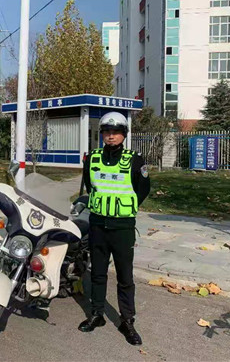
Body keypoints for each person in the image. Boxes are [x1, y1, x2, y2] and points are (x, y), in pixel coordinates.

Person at [78, 111, 150, 346]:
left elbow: (142, 189)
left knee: (125, 276)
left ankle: (127, 320)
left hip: (122, 228)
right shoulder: (92, 159)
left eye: (116, 132)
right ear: (102, 134)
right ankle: (97, 314)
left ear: (124, 135)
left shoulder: (135, 160)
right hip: (98, 225)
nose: (111, 136)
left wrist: (123, 208)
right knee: (97, 273)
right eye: (107, 132)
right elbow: (91, 186)